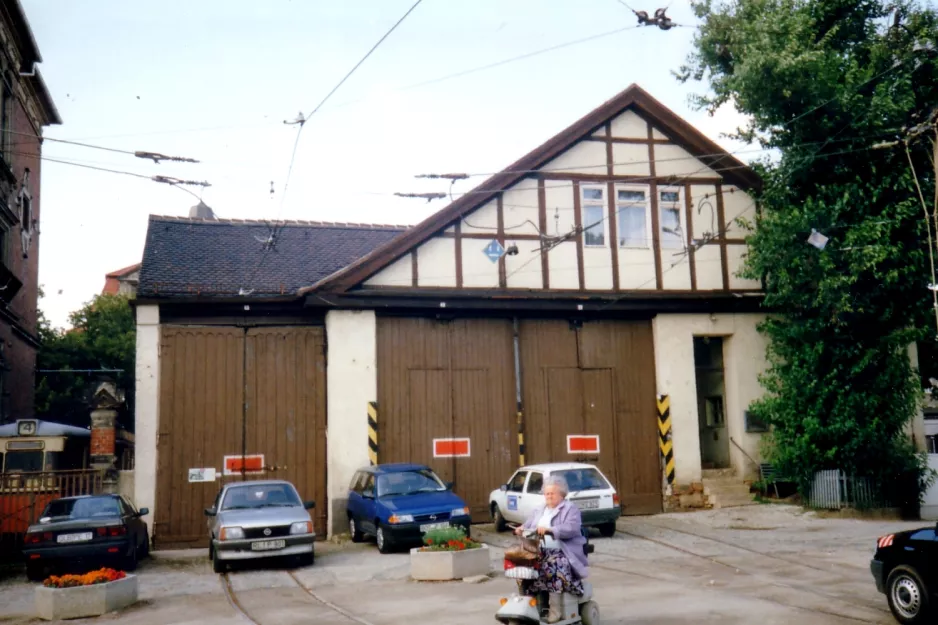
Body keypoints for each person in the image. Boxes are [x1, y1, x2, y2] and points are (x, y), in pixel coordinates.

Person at [514, 475, 588, 623]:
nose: (548, 496)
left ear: (561, 494)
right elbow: (529, 525)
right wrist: (521, 528)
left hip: (563, 552)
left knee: (552, 565)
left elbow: (571, 528)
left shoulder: (570, 509)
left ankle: (555, 611)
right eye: (546, 493)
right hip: (540, 551)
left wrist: (551, 530)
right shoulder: (540, 509)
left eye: (551, 493)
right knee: (522, 566)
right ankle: (529, 606)